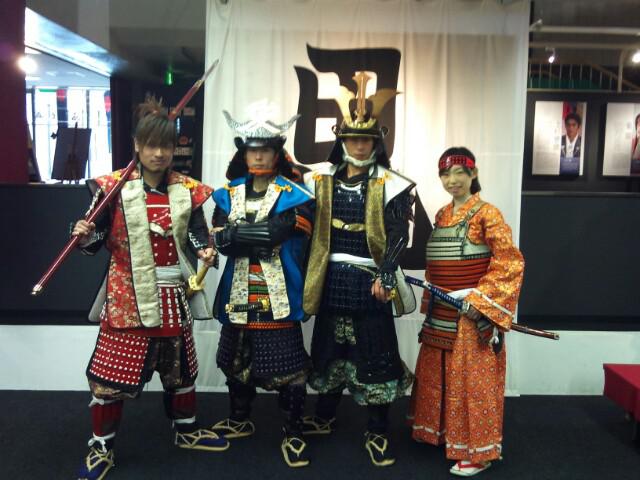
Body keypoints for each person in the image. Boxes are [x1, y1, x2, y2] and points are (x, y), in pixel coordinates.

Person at [72, 96, 227, 480]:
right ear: (137, 145)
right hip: (127, 295)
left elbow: (195, 234)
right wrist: (84, 234)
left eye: (166, 146)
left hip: (173, 292)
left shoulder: (187, 190)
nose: (159, 153)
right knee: (111, 377)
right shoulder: (111, 188)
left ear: (174, 149)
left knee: (181, 370)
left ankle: (186, 429)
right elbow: (94, 241)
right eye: (151, 145)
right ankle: (102, 446)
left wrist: (205, 249)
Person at [302, 72, 415, 467]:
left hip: (370, 280)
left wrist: (386, 274)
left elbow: (398, 234)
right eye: (352, 140)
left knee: (375, 353)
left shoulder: (391, 184)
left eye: (365, 140)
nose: (359, 146)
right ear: (342, 142)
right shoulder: (319, 181)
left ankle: (378, 429)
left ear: (376, 143)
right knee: (329, 350)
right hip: (330, 277)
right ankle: (324, 416)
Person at [408, 147, 525, 477]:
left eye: (459, 172)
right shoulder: (442, 215)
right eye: (445, 174)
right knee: (440, 378)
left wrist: (482, 302)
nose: (452, 180)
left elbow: (509, 262)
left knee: (473, 385)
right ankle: (444, 434)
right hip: (441, 313)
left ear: (473, 174)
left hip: (472, 315)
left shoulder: (488, 214)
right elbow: (437, 265)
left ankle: (478, 452)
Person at [209, 109, 314, 467]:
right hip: (238, 290)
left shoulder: (295, 195)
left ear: (277, 153)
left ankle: (294, 431)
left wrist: (236, 234)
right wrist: (235, 236)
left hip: (277, 293)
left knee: (288, 367)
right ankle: (240, 419)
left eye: (265, 150)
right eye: (252, 150)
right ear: (243, 153)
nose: (257, 156)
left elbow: (274, 233)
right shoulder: (227, 194)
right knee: (234, 360)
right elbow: (221, 241)